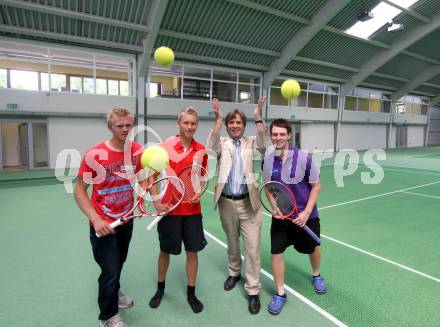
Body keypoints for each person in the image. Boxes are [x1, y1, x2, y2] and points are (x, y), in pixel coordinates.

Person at [75, 108, 142, 327]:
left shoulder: (137, 151)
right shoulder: (95, 155)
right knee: (110, 269)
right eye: (119, 126)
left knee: (118, 263)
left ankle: (115, 291)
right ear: (110, 127)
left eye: (128, 125)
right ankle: (108, 316)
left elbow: (143, 179)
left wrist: (143, 200)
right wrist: (95, 219)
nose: (125, 129)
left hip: (126, 220)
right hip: (102, 223)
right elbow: (80, 190)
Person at [207, 96, 267, 314]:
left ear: (244, 125)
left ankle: (253, 290)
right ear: (227, 126)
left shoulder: (251, 142)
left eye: (238, 122)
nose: (235, 126)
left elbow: (264, 144)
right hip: (226, 202)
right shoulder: (222, 143)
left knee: (252, 248)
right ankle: (234, 273)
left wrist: (258, 117)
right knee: (232, 242)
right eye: (231, 122)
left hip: (249, 203)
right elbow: (210, 145)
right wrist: (217, 118)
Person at [262, 118, 326, 316]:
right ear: (271, 136)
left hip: (306, 216)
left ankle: (316, 274)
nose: (278, 137)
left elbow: (316, 185)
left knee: (312, 248)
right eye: (275, 134)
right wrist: (274, 207)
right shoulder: (268, 160)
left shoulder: (304, 158)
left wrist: (306, 213)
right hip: (282, 217)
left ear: (289, 135)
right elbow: (268, 188)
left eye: (282, 134)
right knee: (276, 253)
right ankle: (281, 293)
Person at [148, 106, 208, 314]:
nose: (190, 127)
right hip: (169, 211)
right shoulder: (164, 147)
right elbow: (151, 177)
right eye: (186, 123)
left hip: (192, 212)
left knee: (193, 253)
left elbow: (201, 176)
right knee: (165, 251)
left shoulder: (201, 150)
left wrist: (199, 191)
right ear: (178, 123)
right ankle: (160, 288)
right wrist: (156, 202)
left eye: (193, 123)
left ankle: (191, 293)